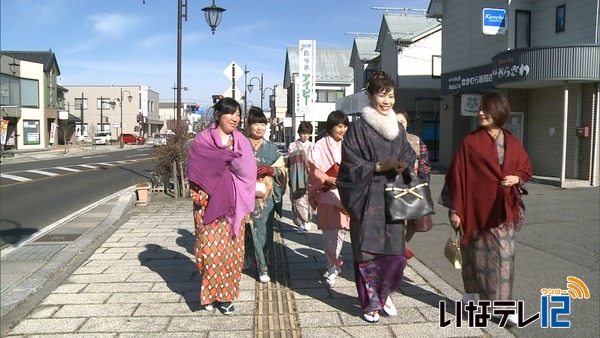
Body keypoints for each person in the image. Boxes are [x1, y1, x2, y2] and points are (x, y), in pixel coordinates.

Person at [440, 92, 532, 326]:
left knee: (504, 258)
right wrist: (455, 209)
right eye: (480, 108)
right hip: (474, 211)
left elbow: (525, 168)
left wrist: (516, 179)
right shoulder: (470, 143)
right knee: (474, 259)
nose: (480, 112)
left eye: (486, 109)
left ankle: (503, 307)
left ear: (499, 112)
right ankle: (471, 302)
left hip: (503, 211)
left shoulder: (512, 141)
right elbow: (456, 177)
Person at [337, 71, 416, 323]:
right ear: (370, 96)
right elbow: (349, 164)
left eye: (390, 96)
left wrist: (404, 164)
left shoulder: (398, 129)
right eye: (381, 95)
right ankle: (370, 301)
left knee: (394, 254)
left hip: (392, 198)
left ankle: (385, 293)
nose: (386, 101)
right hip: (367, 196)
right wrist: (379, 166)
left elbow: (410, 156)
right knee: (367, 252)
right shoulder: (358, 128)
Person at [186, 97, 256, 315]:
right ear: (217, 115)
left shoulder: (241, 141)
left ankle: (225, 297)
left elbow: (248, 170)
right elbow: (196, 171)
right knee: (208, 252)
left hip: (234, 205)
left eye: (238, 115)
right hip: (208, 204)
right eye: (230, 113)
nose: (235, 118)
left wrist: (229, 162)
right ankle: (209, 293)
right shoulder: (202, 141)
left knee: (232, 254)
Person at [307, 110, 351, 287]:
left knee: (340, 231)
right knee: (328, 233)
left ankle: (333, 262)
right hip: (326, 192)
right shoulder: (319, 145)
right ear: (331, 127)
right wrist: (326, 179)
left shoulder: (349, 145)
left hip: (343, 193)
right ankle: (331, 267)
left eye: (345, 126)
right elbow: (312, 167)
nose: (342, 129)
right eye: (339, 126)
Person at [245, 106, 288, 283]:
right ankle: (247, 259)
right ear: (248, 126)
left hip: (265, 197)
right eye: (255, 124)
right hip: (243, 194)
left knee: (262, 231)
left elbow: (282, 170)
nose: (259, 127)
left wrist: (271, 169)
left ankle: (263, 267)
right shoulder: (241, 144)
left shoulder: (271, 148)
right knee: (245, 230)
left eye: (263, 124)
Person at [396, 110, 431, 243]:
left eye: (401, 122)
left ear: (407, 124)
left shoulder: (416, 141)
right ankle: (398, 254)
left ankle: (401, 249)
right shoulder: (384, 141)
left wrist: (423, 183)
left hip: (412, 189)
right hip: (391, 189)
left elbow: (425, 164)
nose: (398, 124)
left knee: (410, 225)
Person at [287, 121, 314, 234]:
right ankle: (301, 222)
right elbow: (290, 159)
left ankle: (307, 220)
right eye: (303, 133)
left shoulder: (312, 146)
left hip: (309, 176)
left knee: (308, 199)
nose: (305, 136)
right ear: (299, 133)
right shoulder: (293, 145)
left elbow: (315, 160)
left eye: (307, 133)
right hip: (296, 177)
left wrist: (310, 165)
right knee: (297, 200)